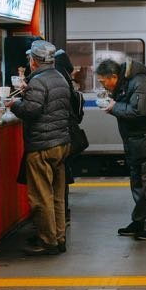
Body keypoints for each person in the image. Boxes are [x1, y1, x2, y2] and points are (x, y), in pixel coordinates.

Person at [96, 58, 146, 240]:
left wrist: (114, 107)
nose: (103, 85)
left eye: (103, 81)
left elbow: (140, 111)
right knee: (139, 186)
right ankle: (140, 221)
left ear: (113, 77)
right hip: (137, 144)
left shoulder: (141, 83)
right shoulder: (125, 84)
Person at [6, 40, 72, 255]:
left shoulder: (38, 81)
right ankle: (59, 238)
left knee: (41, 196)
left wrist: (14, 104)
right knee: (57, 195)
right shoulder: (59, 77)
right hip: (61, 143)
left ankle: (47, 241)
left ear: (34, 61)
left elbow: (32, 111)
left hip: (42, 145)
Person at [54, 48, 83, 224]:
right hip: (68, 134)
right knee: (62, 176)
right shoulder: (67, 78)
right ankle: (63, 214)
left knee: (57, 180)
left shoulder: (56, 76)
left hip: (57, 136)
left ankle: (60, 217)